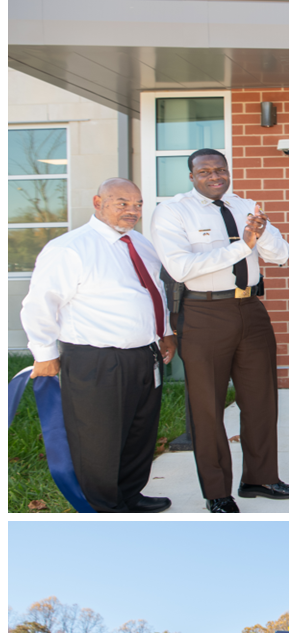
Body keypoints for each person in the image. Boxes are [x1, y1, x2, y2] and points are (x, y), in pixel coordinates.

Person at [150, 149, 289, 513]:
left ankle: (260, 478)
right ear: (191, 176)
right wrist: (241, 247)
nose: (214, 176)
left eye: (220, 169)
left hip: (250, 309)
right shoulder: (173, 212)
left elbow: (281, 255)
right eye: (205, 171)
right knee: (207, 406)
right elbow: (181, 268)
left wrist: (260, 235)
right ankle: (218, 492)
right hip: (203, 312)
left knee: (261, 400)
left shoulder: (246, 205)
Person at [20, 178, 176, 513]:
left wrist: (165, 332)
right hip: (96, 359)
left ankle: (129, 495)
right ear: (97, 202)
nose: (132, 211)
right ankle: (103, 508)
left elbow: (154, 292)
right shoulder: (70, 248)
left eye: (137, 204)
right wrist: (44, 354)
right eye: (122, 203)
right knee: (98, 441)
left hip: (142, 355)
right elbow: (40, 304)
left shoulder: (140, 244)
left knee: (139, 432)